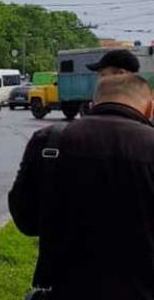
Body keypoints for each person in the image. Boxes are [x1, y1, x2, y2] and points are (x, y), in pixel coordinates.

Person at [9, 73, 154, 299]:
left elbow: (25, 221)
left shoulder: (49, 140)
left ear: (93, 103)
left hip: (66, 290)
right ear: (148, 108)